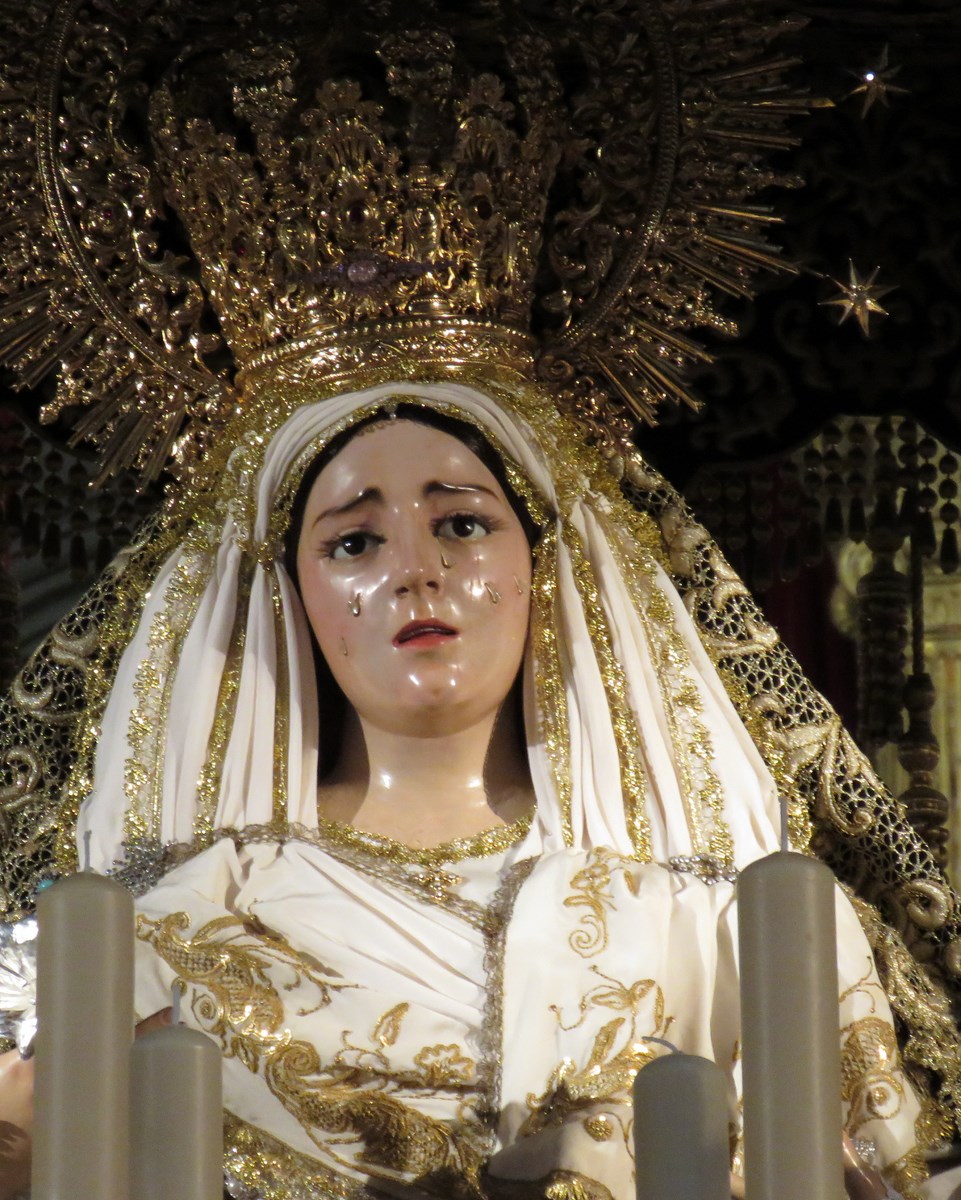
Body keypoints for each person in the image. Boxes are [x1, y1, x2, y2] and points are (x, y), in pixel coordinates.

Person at [0, 3, 958, 1198]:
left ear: (554, 574)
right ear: (286, 598)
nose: (415, 569)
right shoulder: (153, 940)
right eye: (353, 540)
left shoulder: (721, 939)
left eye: (461, 522)